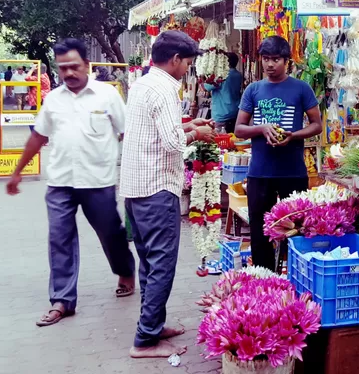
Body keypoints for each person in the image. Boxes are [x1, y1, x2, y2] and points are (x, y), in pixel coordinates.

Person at [6, 38, 136, 327]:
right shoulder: (53, 99)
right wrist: (17, 172)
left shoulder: (107, 95)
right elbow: (38, 136)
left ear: (87, 65)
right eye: (62, 68)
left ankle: (125, 271)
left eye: (74, 67)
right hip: (60, 182)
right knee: (59, 239)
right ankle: (62, 300)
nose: (68, 73)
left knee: (111, 234)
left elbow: (128, 133)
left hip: (98, 181)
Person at [120, 30, 214, 359]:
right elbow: (173, 143)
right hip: (157, 188)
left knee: (149, 261)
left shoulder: (144, 84)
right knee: (162, 263)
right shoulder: (164, 89)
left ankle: (153, 324)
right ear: (175, 60)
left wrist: (189, 127)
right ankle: (145, 340)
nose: (187, 69)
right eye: (187, 64)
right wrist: (197, 133)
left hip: (136, 187)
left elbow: (160, 133)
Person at [235, 36, 322, 270]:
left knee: (295, 229)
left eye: (276, 59)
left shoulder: (301, 88)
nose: (270, 64)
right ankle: (265, 278)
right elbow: (239, 129)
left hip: (292, 173)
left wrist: (293, 136)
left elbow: (317, 125)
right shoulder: (253, 90)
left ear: (287, 61)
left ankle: (294, 274)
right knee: (260, 230)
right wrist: (262, 128)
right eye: (266, 59)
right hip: (260, 173)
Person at [204, 52, 242, 134]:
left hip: (221, 115)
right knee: (233, 140)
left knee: (220, 142)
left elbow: (206, 87)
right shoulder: (239, 75)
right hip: (235, 113)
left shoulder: (221, 76)